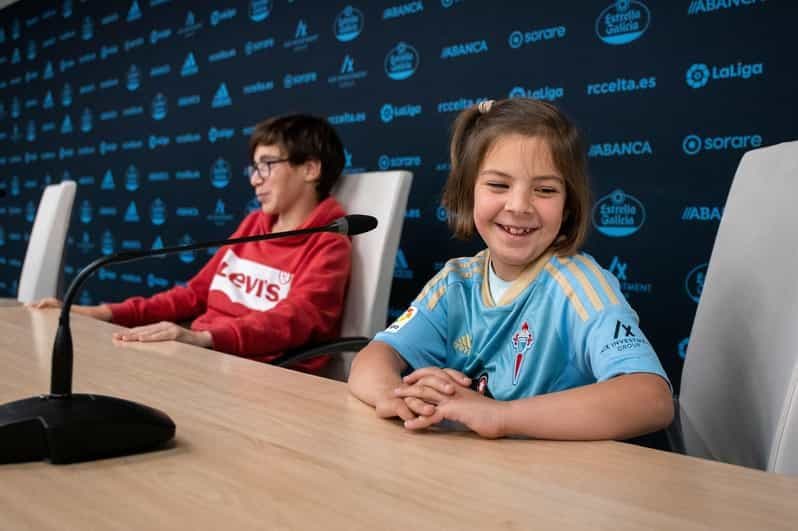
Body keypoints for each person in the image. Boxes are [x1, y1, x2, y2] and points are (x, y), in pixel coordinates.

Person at [348, 98, 673, 439]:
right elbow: (373, 358)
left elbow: (651, 398)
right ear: (467, 192)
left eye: (545, 190)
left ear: (568, 204)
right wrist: (396, 396)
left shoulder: (580, 284)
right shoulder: (456, 281)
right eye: (498, 185)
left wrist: (500, 415)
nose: (519, 206)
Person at [30, 114, 352, 373]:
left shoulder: (329, 243)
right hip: (203, 357)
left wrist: (204, 338)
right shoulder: (255, 224)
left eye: (267, 165)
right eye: (254, 168)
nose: (255, 179)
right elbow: (195, 294)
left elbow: (295, 319)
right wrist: (103, 312)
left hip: (260, 374)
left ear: (310, 169)